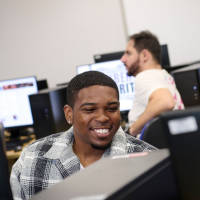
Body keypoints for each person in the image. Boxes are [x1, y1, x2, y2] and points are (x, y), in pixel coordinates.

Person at [10, 71, 157, 200]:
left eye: (112, 108)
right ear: (69, 114)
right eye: (90, 109)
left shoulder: (149, 161)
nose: (103, 117)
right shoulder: (30, 159)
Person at [121, 31, 184, 137]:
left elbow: (165, 102)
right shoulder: (165, 76)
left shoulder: (144, 76)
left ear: (145, 55)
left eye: (129, 53)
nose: (122, 59)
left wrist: (131, 130)